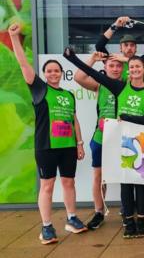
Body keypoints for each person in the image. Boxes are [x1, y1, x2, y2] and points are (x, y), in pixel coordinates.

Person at [63, 47, 144, 239]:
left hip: (141, 143)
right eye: (131, 67)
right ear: (128, 71)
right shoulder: (119, 87)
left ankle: (141, 220)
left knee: (141, 183)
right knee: (125, 183)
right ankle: (128, 221)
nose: (135, 70)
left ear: (143, 69)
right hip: (122, 142)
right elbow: (89, 73)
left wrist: (127, 117)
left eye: (137, 67)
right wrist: (72, 58)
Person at [8, 23, 87, 245]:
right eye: (49, 71)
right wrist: (15, 38)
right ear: (44, 74)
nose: (53, 73)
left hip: (68, 146)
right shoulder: (39, 88)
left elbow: (74, 120)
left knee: (69, 183)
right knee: (48, 185)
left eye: (57, 71)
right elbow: (23, 64)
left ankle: (72, 219)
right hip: (46, 146)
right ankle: (46, 227)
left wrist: (79, 143)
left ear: (61, 74)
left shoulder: (69, 95)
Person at [73, 52, 124, 230]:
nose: (115, 68)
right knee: (98, 177)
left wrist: (124, 58)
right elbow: (79, 77)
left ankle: (127, 210)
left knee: (126, 175)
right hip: (101, 137)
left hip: (123, 138)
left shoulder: (129, 83)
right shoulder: (99, 84)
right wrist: (93, 59)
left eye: (119, 66)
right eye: (112, 65)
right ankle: (98, 212)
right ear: (105, 68)